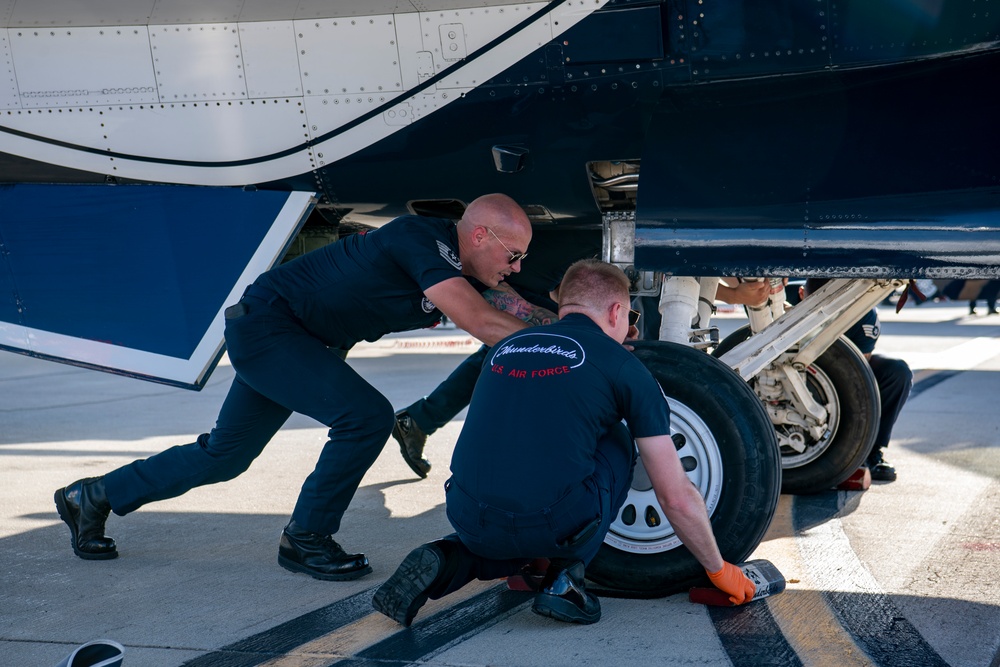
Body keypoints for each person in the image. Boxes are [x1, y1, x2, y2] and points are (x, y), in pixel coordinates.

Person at [54, 193, 540, 581]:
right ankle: (306, 538)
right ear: (480, 234)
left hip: (298, 339)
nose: (516, 266)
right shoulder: (422, 238)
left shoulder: (461, 270)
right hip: (273, 326)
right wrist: (570, 344)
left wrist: (593, 323)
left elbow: (522, 307)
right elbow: (481, 322)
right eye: (513, 254)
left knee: (225, 456)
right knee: (366, 417)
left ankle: (92, 496)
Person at [372, 259, 756, 627]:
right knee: (620, 439)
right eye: (630, 318)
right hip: (552, 521)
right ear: (616, 312)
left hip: (467, 513)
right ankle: (565, 579)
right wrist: (718, 567)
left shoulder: (505, 347)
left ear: (563, 306)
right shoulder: (623, 366)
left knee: (503, 534)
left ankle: (446, 557)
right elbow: (674, 494)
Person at [803, 279, 913, 482]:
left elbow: (858, 381)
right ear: (802, 295)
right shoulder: (780, 300)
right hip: (791, 373)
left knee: (897, 372)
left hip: (841, 373)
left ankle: (871, 450)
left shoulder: (862, 314)